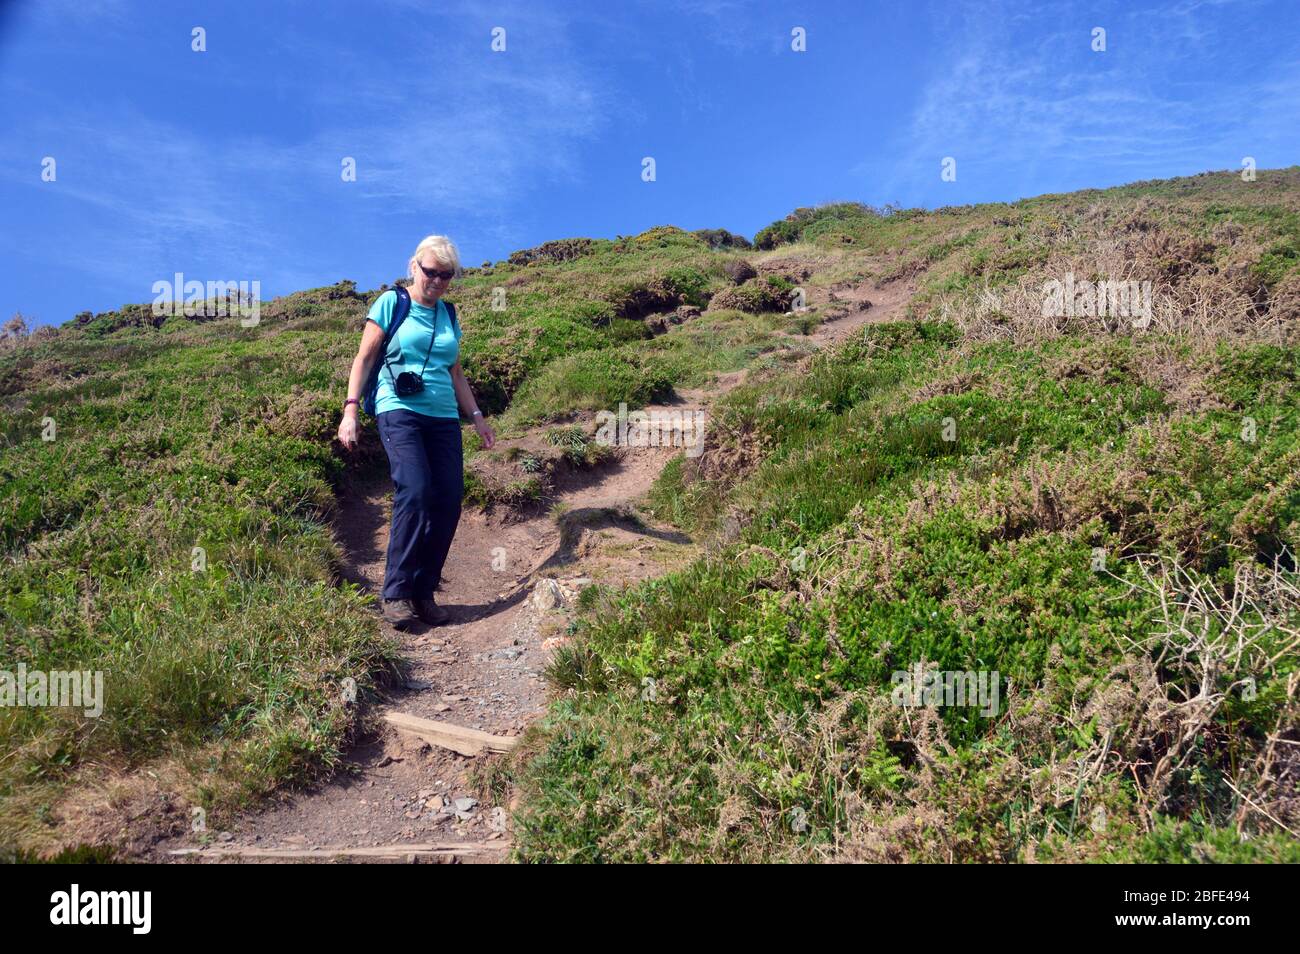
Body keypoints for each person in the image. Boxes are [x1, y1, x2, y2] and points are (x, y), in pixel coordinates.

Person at [336, 235, 495, 629]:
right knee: (416, 490)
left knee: (448, 499)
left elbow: (455, 371)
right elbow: (364, 357)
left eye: (447, 275)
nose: (438, 281)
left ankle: (423, 592)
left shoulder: (449, 314)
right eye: (431, 272)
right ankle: (396, 592)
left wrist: (476, 415)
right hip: (398, 409)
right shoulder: (392, 303)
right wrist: (350, 410)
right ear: (414, 267)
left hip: (443, 417)